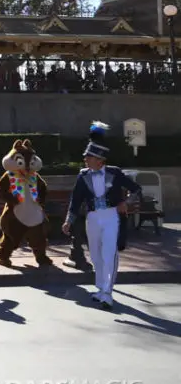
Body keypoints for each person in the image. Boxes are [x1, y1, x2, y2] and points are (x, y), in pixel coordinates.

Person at [62, 122, 142, 311]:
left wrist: (126, 202)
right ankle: (100, 289)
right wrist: (68, 221)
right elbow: (76, 200)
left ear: (99, 160)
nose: (85, 159)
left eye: (88, 157)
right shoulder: (83, 176)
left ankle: (107, 293)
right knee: (96, 255)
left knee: (109, 253)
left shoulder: (115, 172)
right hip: (92, 218)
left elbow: (136, 190)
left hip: (111, 216)